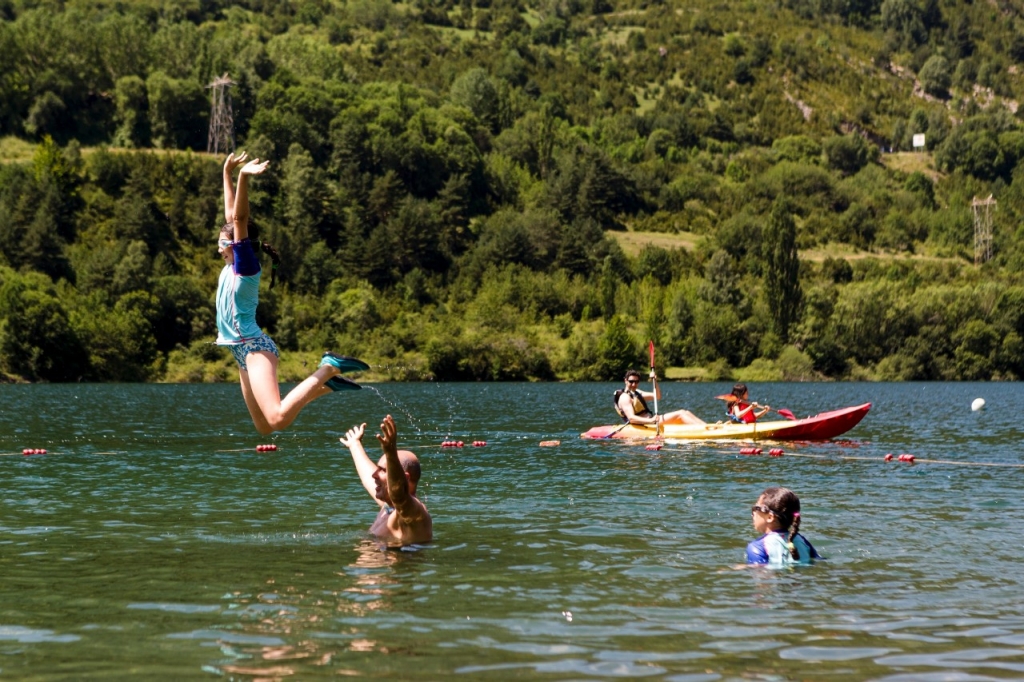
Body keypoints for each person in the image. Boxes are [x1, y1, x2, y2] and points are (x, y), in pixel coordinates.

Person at [217, 151, 367, 435]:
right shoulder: (229, 264)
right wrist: (226, 173)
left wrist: (243, 177)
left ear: (236, 245)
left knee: (276, 419)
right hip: (239, 351)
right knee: (264, 428)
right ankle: (324, 386)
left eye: (224, 241)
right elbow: (230, 215)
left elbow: (238, 218)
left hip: (254, 347)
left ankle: (328, 368)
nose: (219, 244)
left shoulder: (245, 267)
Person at [340, 415, 433, 548]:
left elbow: (399, 495)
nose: (374, 475)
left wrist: (391, 453)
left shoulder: (413, 514)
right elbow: (368, 477)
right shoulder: (388, 506)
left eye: (383, 470)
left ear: (405, 479)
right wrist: (355, 444)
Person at [746, 486, 822, 566]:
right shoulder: (802, 540)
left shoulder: (757, 547)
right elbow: (819, 561)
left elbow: (760, 573)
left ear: (770, 517)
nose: (753, 513)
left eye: (756, 508)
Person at [614, 368, 705, 426]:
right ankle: (705, 430)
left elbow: (657, 396)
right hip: (646, 424)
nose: (634, 384)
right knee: (680, 414)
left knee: (686, 412)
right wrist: (651, 420)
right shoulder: (624, 398)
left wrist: (655, 380)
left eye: (636, 382)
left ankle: (707, 427)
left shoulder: (636, 393)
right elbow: (632, 418)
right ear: (625, 380)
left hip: (651, 421)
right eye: (631, 381)